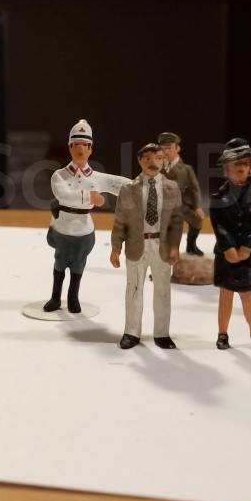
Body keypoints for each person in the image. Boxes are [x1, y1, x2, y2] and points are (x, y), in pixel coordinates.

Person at [44, 119, 130, 314]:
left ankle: (73, 298)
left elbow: (120, 184)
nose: (81, 149)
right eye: (76, 145)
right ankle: (55, 298)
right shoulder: (59, 175)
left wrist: (143, 186)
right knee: (59, 264)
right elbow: (64, 195)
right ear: (70, 147)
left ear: (91, 149)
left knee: (78, 266)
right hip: (63, 228)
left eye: (85, 145)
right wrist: (90, 197)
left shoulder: (97, 177)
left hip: (84, 230)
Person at [110, 143, 183, 349]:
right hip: (136, 245)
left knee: (163, 291)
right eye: (148, 159)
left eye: (158, 158)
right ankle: (131, 332)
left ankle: (162, 333)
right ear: (140, 161)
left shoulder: (171, 188)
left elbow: (177, 221)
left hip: (162, 246)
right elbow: (120, 221)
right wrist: (116, 248)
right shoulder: (129, 189)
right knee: (133, 290)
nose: (153, 163)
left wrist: (175, 247)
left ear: (164, 160)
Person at [209, 138, 251, 352]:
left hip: (247, 255)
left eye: (245, 163)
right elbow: (219, 225)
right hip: (226, 254)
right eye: (236, 163)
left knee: (248, 296)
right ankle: (222, 333)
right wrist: (228, 248)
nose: (241, 167)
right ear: (227, 169)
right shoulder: (218, 197)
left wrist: (246, 247)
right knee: (225, 296)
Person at [157, 131, 205, 255]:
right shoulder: (157, 167)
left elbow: (195, 189)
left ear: (177, 148)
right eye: (162, 149)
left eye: (169, 148)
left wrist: (198, 207)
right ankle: (162, 256)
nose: (165, 152)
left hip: (180, 205)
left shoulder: (186, 169)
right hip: (162, 206)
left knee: (197, 221)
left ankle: (191, 245)